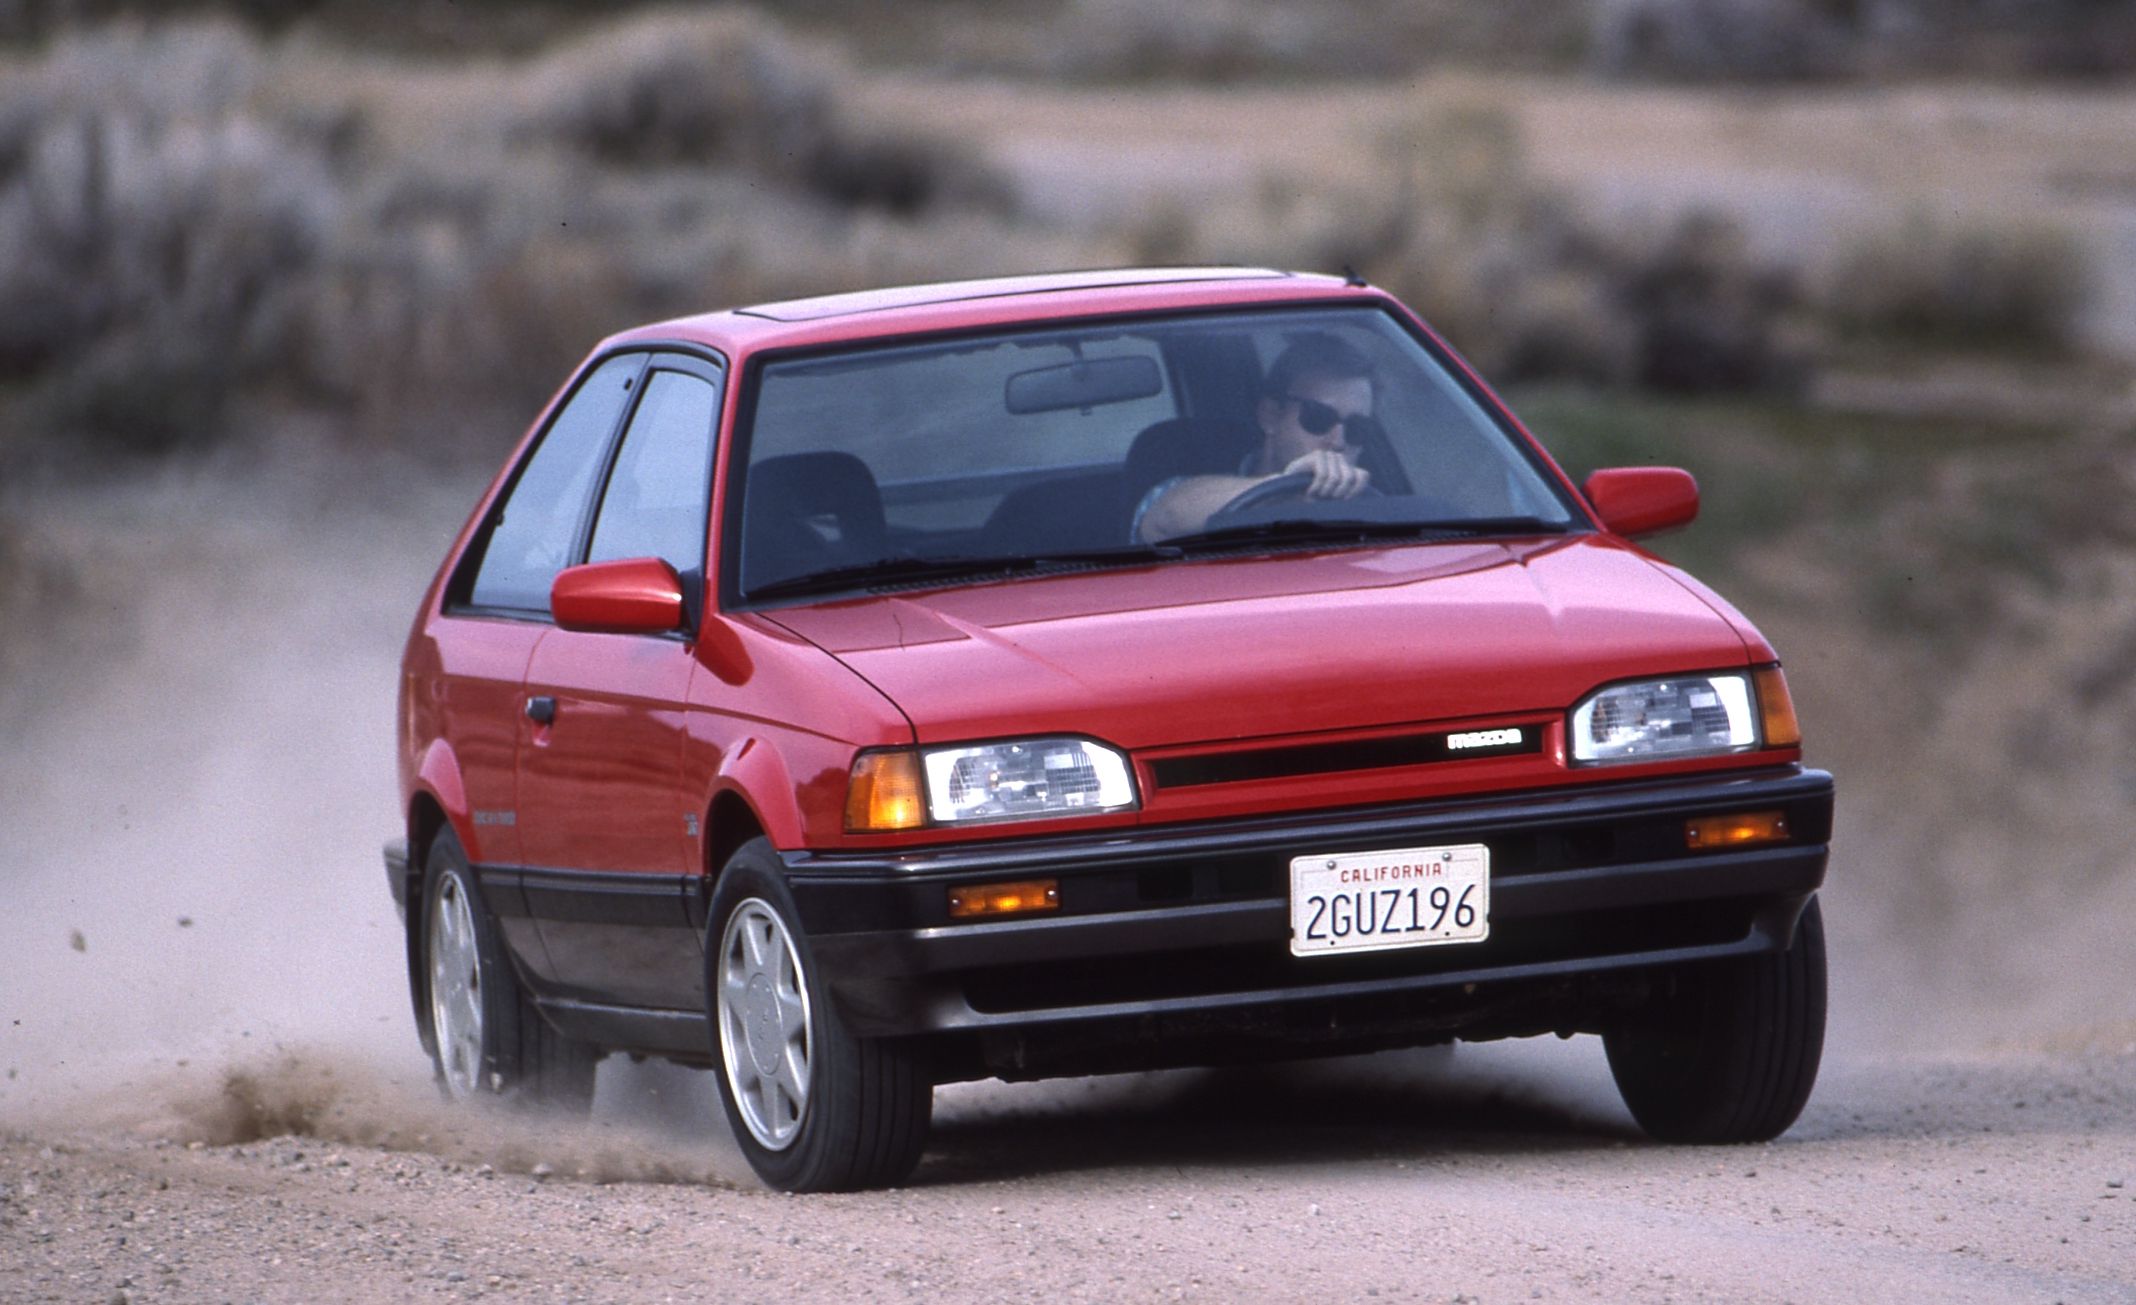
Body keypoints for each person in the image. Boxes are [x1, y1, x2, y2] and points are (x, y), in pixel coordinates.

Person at [1132, 333, 1376, 543]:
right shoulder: (1200, 496)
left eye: (1357, 427)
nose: (1338, 441)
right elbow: (1165, 517)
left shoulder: (1378, 513)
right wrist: (1283, 487)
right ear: (1270, 415)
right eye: (1318, 417)